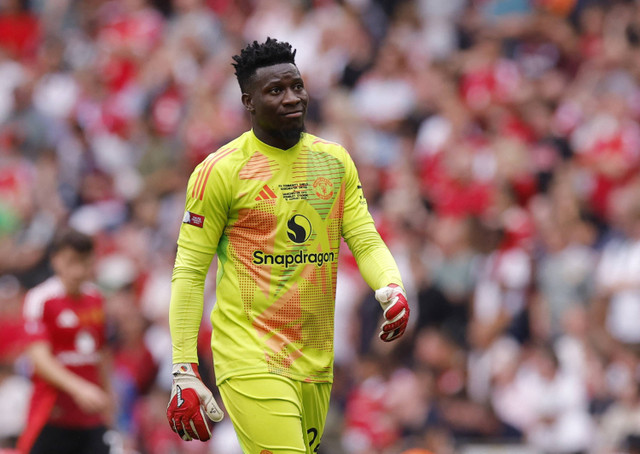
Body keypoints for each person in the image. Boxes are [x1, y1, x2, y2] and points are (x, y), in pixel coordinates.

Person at [166, 37, 410, 453]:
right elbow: (190, 271)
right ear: (248, 101)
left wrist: (391, 285)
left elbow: (365, 238)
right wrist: (184, 368)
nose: (292, 97)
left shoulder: (334, 162)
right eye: (275, 90)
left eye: (296, 86)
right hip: (249, 355)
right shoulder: (221, 171)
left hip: (315, 360)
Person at [18, 229, 112, 454]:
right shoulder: (41, 299)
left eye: (83, 262)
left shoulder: (96, 299)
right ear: (56, 260)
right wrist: (80, 389)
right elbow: (40, 359)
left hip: (90, 418)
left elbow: (102, 356)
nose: (78, 270)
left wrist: (109, 404)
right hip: (52, 414)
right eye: (71, 262)